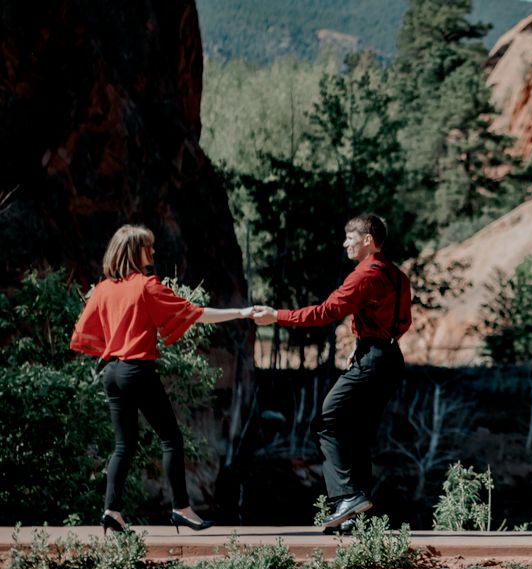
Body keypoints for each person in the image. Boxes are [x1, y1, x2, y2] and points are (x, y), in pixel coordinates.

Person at [70, 224, 255, 534]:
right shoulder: (146, 286)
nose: (153, 252)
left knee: (123, 445)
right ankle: (181, 508)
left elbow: (85, 333)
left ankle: (111, 511)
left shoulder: (103, 288)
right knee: (171, 438)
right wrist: (240, 312)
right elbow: (193, 313)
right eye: (148, 247)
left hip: (112, 373)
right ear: (134, 252)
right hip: (137, 370)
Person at [252, 214, 411, 533]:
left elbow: (326, 313)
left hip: (373, 358)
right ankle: (355, 518)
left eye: (350, 237)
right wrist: (368, 341)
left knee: (328, 421)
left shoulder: (364, 274)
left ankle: (347, 497)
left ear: (368, 240)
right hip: (390, 357)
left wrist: (276, 316)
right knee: (359, 436)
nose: (345, 243)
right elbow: (398, 321)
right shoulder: (397, 275)